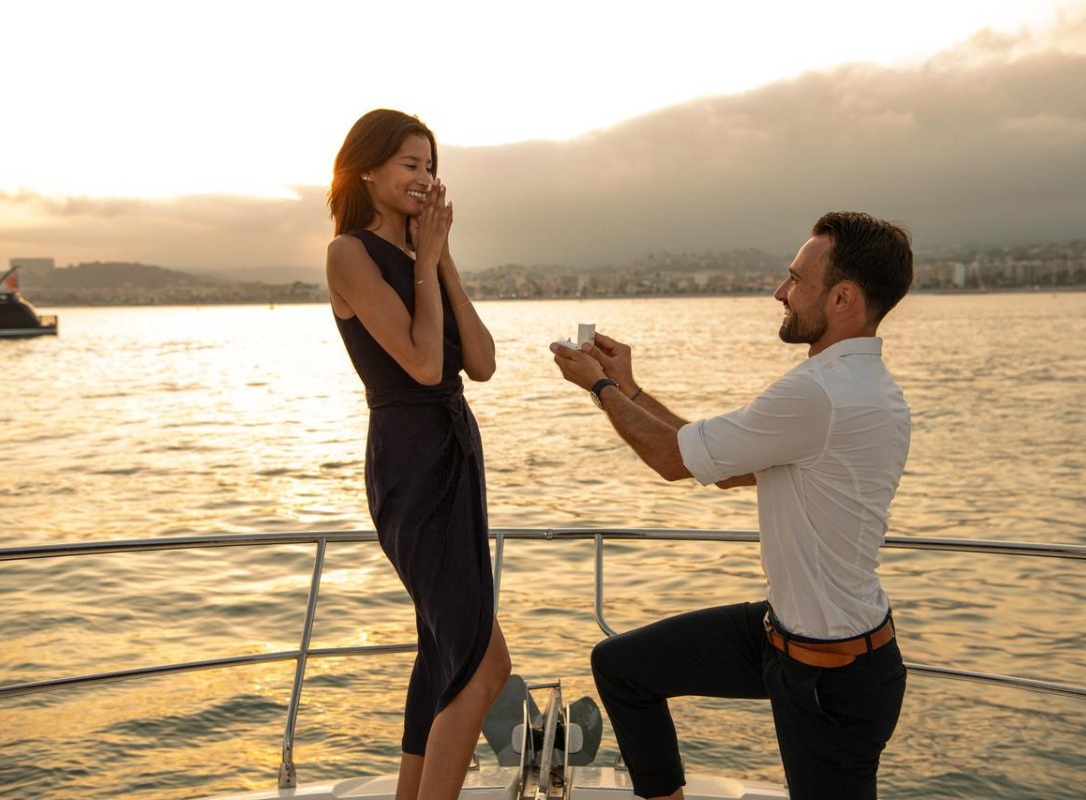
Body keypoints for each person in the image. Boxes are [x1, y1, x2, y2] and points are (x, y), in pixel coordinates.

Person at [550, 211, 913, 800]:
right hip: (785, 637)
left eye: (797, 280)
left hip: (831, 674)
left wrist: (600, 387)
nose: (781, 292)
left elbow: (672, 460)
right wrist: (629, 388)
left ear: (843, 297)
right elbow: (713, 465)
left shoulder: (818, 393)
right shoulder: (864, 388)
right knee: (624, 668)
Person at [326, 109, 511, 800]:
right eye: (410, 163)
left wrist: (442, 260)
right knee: (482, 666)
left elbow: (483, 363)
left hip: (456, 455)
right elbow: (424, 364)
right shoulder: (348, 253)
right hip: (410, 460)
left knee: (442, 654)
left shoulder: (420, 257)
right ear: (366, 168)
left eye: (431, 166)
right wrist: (426, 263)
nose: (424, 178)